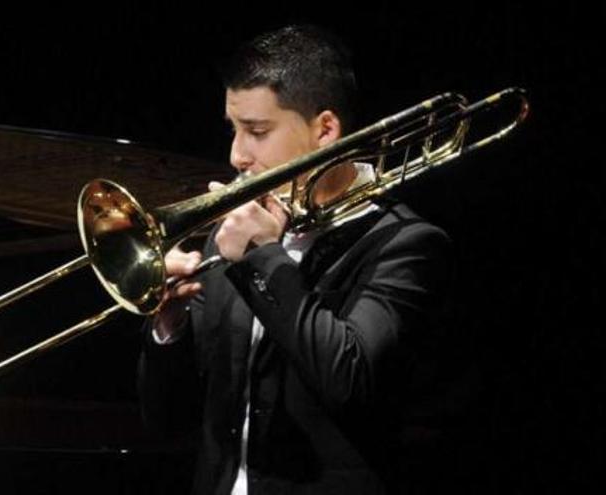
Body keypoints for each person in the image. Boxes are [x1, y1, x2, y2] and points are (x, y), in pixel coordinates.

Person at [137, 25, 456, 494]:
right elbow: (169, 424)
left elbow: (347, 380)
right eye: (234, 130)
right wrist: (169, 327)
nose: (236, 156)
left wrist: (266, 257)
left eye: (257, 132)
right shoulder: (229, 239)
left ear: (325, 129)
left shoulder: (405, 245)